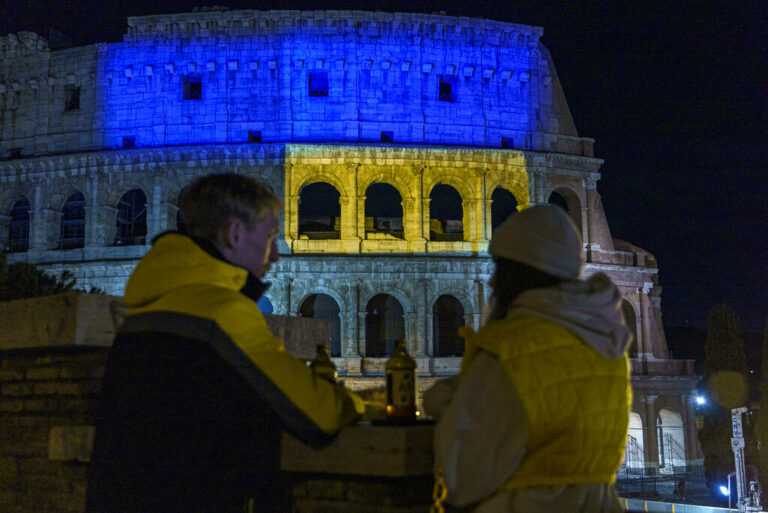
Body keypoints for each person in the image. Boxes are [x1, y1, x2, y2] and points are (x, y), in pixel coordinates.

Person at [86, 173, 363, 513]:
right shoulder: (221, 312)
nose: (275, 254)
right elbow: (317, 414)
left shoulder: (144, 308)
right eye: (269, 237)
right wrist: (365, 405)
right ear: (234, 234)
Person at [424, 205, 632, 513]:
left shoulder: (509, 349)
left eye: (499, 270)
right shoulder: (607, 346)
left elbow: (465, 475)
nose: (493, 282)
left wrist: (450, 406)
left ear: (514, 275)